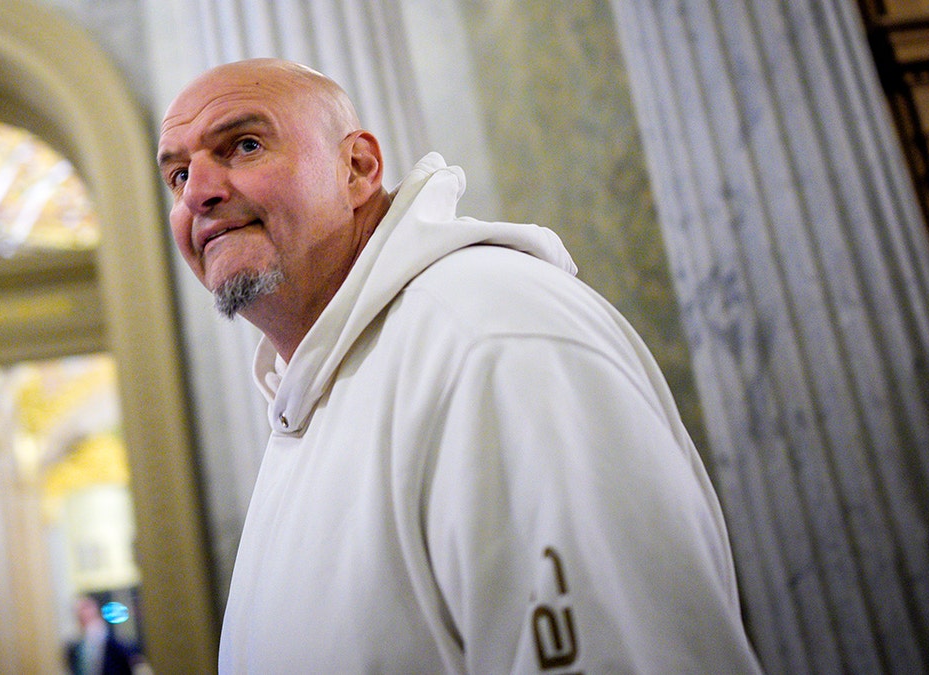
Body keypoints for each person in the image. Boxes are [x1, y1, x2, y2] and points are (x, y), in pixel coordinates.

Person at [157, 57, 764, 673]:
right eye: (178, 176)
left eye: (244, 145)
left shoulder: (488, 336)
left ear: (358, 168)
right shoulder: (318, 387)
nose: (199, 194)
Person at [65, 595, 139, 675]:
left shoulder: (117, 644)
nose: (83, 614)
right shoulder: (75, 648)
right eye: (79, 611)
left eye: (86, 608)